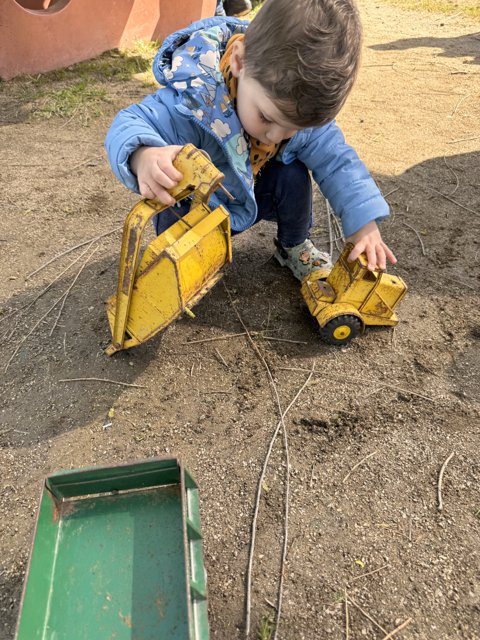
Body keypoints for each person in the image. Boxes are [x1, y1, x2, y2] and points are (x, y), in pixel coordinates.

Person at [105, 0, 396, 281]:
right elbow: (129, 123)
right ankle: (177, 265)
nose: (276, 136)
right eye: (267, 118)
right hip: (199, 209)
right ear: (239, 61)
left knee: (292, 174)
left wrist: (364, 222)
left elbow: (337, 161)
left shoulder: (290, 104)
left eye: (292, 128)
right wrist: (143, 155)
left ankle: (293, 245)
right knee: (171, 195)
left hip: (252, 194)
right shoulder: (194, 98)